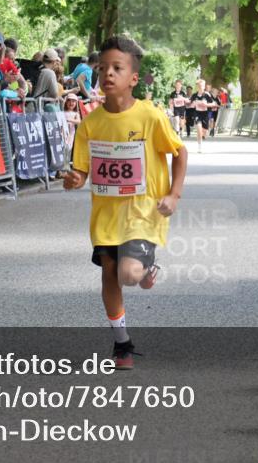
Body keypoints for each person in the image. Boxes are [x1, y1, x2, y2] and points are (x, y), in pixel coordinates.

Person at [64, 35, 187, 370]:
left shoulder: (150, 116)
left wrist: (174, 194)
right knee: (109, 273)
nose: (107, 74)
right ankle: (122, 343)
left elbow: (179, 152)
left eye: (117, 68)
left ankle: (145, 269)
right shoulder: (90, 123)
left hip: (144, 212)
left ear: (133, 77)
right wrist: (74, 179)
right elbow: (81, 171)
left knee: (129, 274)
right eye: (102, 68)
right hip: (106, 215)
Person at [189, 78, 217, 152]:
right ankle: (199, 146)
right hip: (197, 113)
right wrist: (192, 104)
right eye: (200, 85)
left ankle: (204, 134)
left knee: (205, 132)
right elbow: (190, 103)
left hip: (205, 114)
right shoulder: (194, 95)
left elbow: (214, 103)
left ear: (204, 87)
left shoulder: (207, 95)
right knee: (198, 128)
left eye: (202, 85)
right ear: (197, 86)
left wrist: (206, 104)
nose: (201, 87)